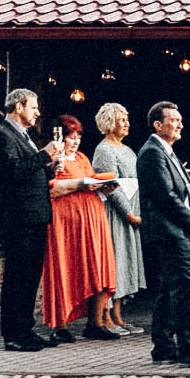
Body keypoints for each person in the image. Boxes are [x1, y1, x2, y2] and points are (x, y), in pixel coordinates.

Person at [138, 101, 190, 368]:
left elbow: (182, 191)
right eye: (174, 119)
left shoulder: (167, 151)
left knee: (166, 288)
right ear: (158, 125)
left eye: (180, 119)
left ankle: (162, 345)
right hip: (167, 229)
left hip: (175, 228)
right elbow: (165, 196)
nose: (180, 124)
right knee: (184, 287)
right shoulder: (152, 152)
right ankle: (188, 347)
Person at [41, 118, 119, 342]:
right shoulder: (53, 159)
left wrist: (106, 184)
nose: (75, 142)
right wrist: (80, 184)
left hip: (92, 219)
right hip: (66, 222)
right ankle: (61, 326)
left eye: (78, 138)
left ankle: (95, 323)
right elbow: (50, 188)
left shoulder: (83, 157)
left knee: (98, 266)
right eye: (70, 137)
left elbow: (92, 178)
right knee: (65, 267)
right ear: (59, 138)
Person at [0, 89, 54, 352]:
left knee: (30, 276)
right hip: (19, 217)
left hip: (34, 215)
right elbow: (13, 172)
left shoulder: (23, 136)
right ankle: (14, 335)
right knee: (18, 276)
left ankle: (26, 330)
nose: (38, 112)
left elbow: (27, 169)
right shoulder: (2, 135)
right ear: (19, 106)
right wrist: (44, 155)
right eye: (34, 107)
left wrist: (47, 166)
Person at [92, 104, 144, 332]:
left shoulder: (127, 149)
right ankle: (106, 317)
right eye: (121, 119)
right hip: (115, 214)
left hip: (132, 212)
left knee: (125, 263)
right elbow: (110, 185)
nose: (126, 123)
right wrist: (128, 213)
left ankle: (119, 315)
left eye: (127, 119)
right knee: (114, 263)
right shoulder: (104, 150)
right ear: (109, 123)